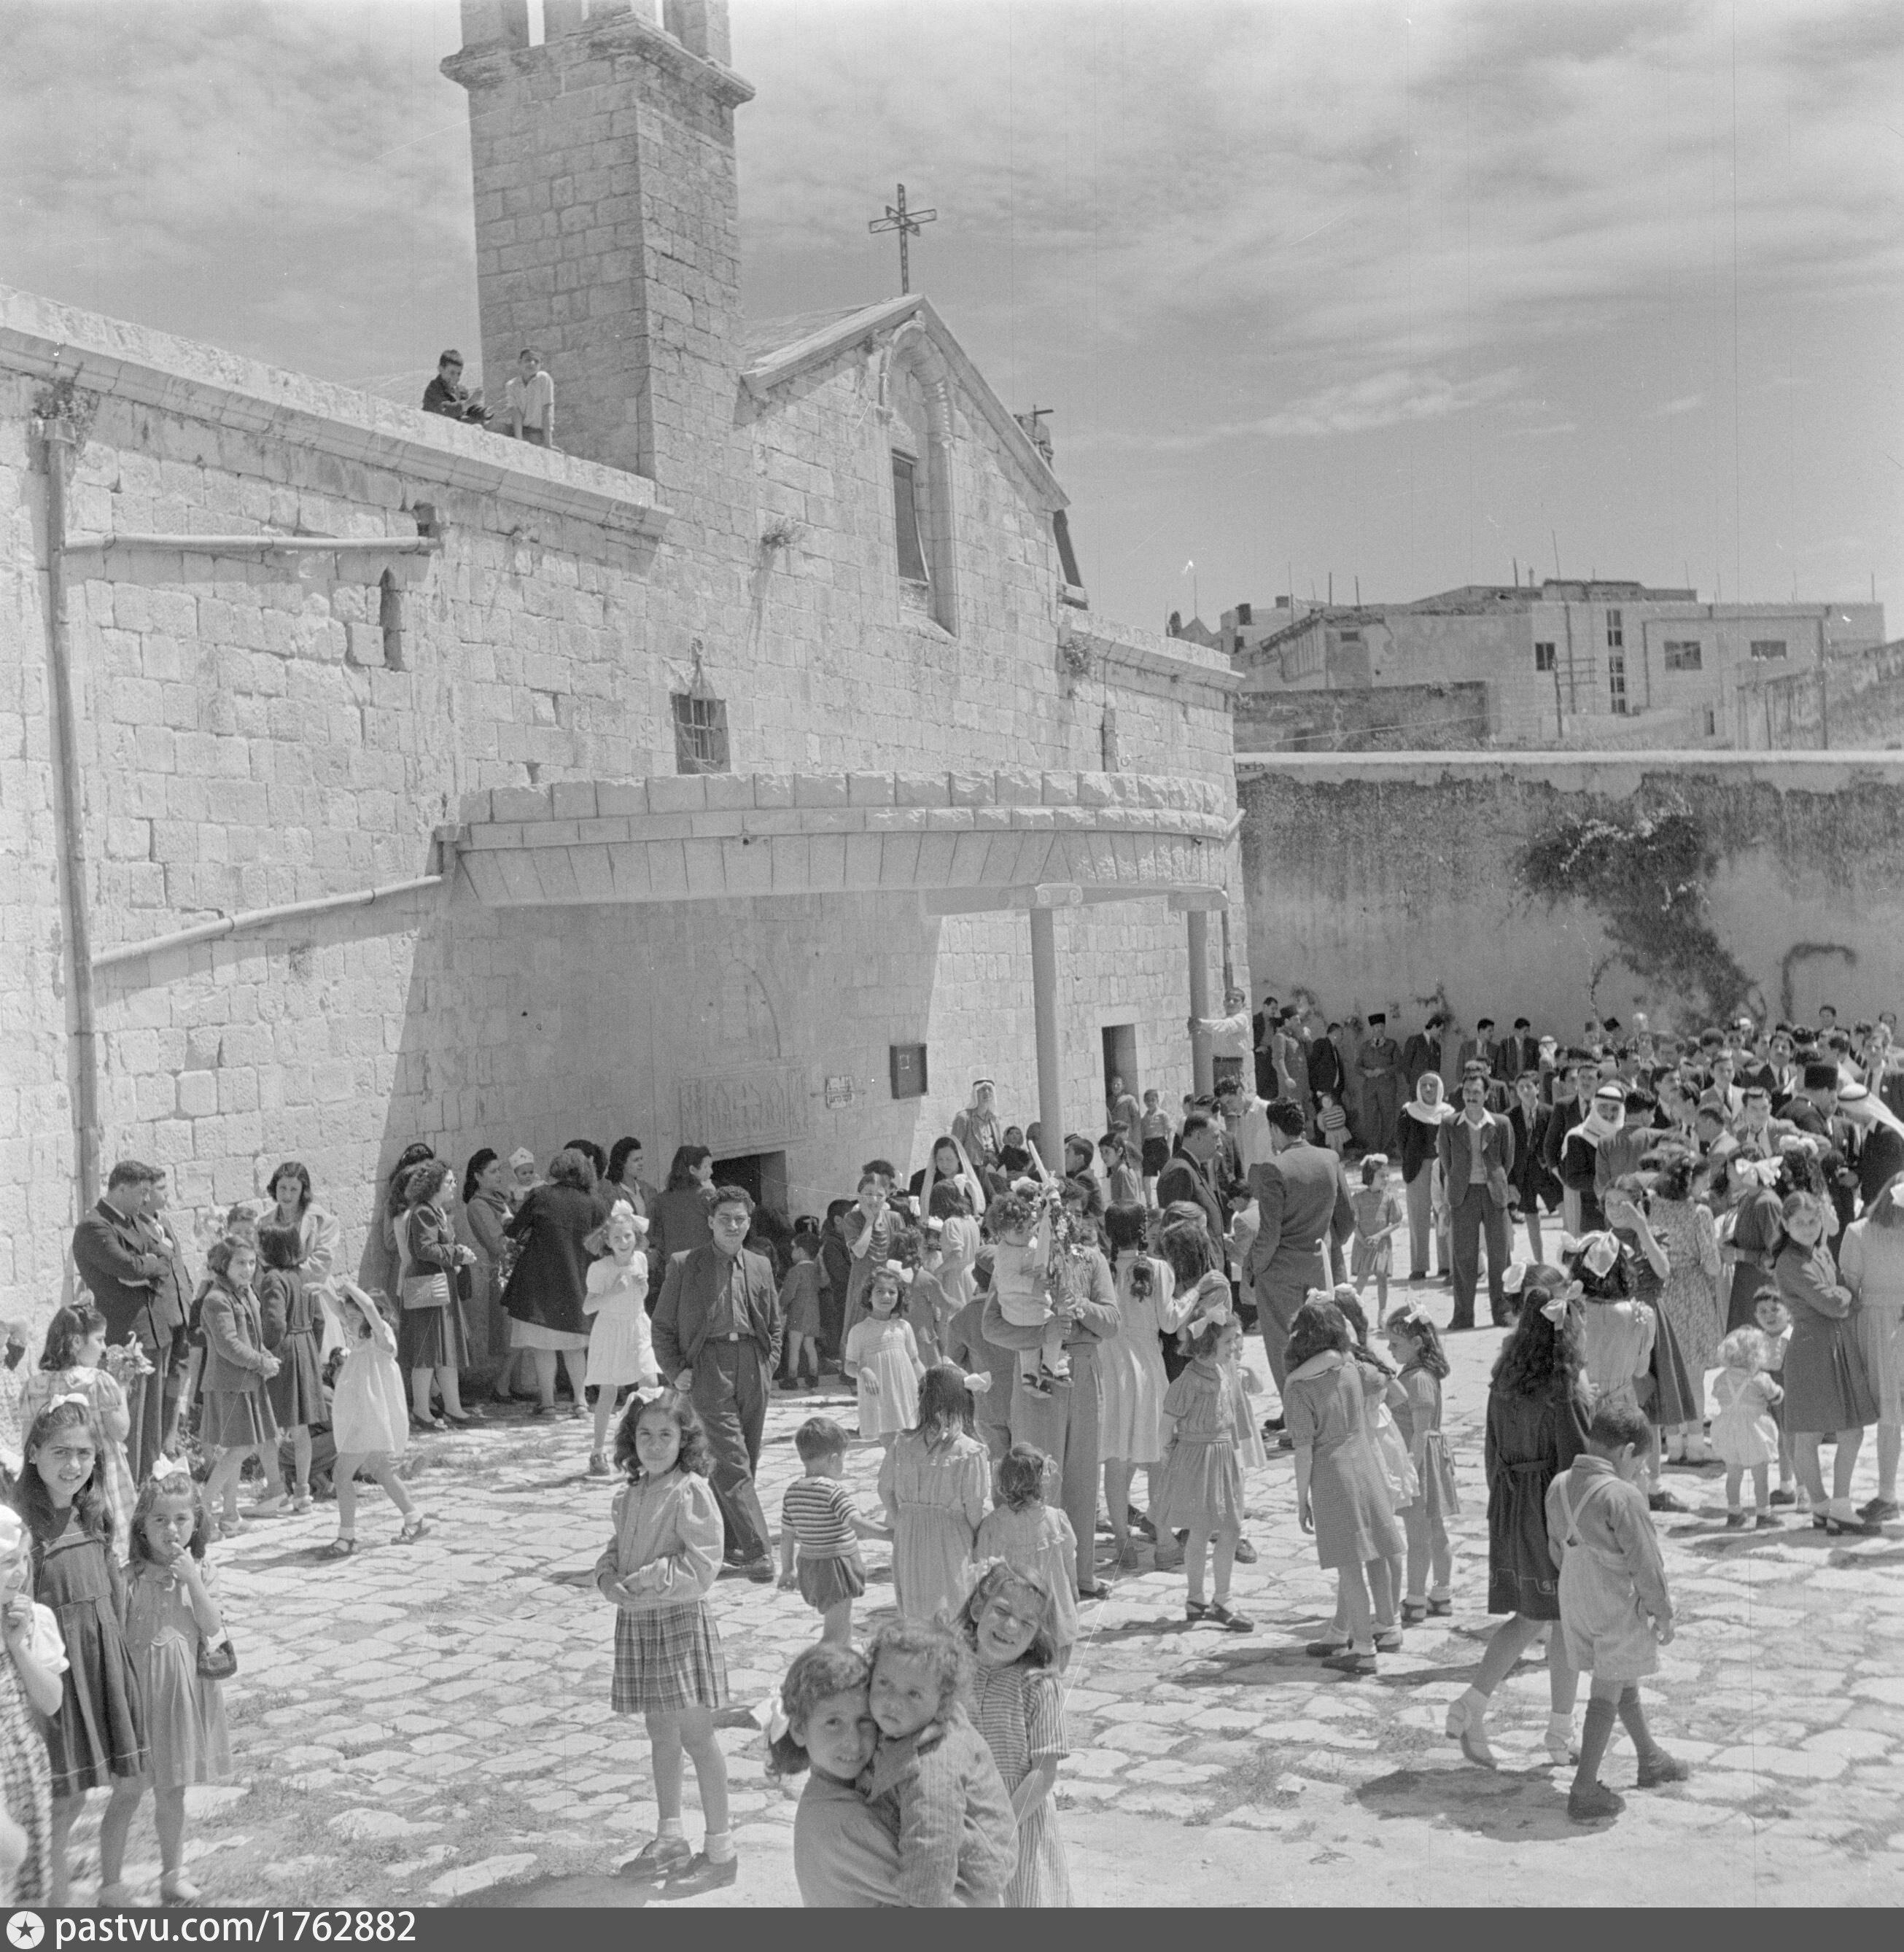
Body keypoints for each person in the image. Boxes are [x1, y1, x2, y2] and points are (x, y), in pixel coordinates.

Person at [1445, 1269, 1588, 1769]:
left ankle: (1478, 1705)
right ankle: (1554, 1729)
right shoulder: (1563, 1386)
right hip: (1552, 1513)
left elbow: (1489, 1451)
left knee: (1532, 1613)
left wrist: (1502, 1508)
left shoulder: (1502, 1380)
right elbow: (1577, 1461)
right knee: (1558, 1618)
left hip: (1510, 1504)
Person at [594, 1390, 735, 1887]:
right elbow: (615, 1551)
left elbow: (702, 1564)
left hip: (676, 1621)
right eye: (644, 1435)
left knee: (697, 1734)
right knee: (660, 1731)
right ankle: (670, 1835)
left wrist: (655, 1576)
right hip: (639, 1623)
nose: (654, 1445)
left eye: (666, 1435)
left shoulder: (689, 1490)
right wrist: (609, 1578)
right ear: (631, 1441)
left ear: (684, 1439)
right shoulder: (631, 1494)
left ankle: (721, 1851)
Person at [15, 1400, 147, 1907]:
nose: (73, 1464)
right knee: (66, 1797)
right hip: (58, 1676)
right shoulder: (22, 1524)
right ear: (34, 1454)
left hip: (107, 1661)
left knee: (132, 1780)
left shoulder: (96, 1511)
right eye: (61, 1452)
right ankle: (54, 1906)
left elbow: (113, 1588)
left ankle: (111, 1886)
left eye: (85, 1454)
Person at [1547, 1400, 1687, 1824]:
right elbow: (1646, 1562)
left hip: (1575, 1597)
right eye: (1638, 1463)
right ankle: (1585, 1787)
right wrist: (1662, 1613)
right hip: (1615, 1602)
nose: (1638, 1471)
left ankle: (1651, 1758)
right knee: (1606, 1692)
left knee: (1618, 1674)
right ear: (1626, 1452)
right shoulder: (1621, 1495)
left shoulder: (1558, 1484)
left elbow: (1556, 1549)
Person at [982, 1208, 1122, 1601]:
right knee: (1037, 1472)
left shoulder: (1092, 1261)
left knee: (1081, 1474)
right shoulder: (1017, 1260)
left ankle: (1081, 1575)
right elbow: (991, 1326)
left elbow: (1112, 1322)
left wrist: (1078, 1304)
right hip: (1035, 1374)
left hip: (1082, 1368)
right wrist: (1039, 1333)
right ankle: (1035, 1575)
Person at [652, 1185, 780, 1579]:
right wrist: (677, 1372)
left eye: (740, 1219)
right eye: (724, 1218)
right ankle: (760, 1551)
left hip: (752, 1365)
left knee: (747, 1457)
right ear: (710, 1222)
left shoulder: (760, 1265)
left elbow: (774, 1325)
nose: (733, 1226)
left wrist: (768, 1366)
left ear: (748, 1222)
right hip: (708, 1365)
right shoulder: (684, 1264)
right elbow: (662, 1327)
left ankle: (733, 1543)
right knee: (731, 1458)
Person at [120, 1468, 233, 1905]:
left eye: (182, 1520)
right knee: (127, 1791)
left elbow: (212, 1626)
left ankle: (172, 1873)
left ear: (197, 1522)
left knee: (174, 1790)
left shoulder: (202, 1569)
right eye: (160, 1521)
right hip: (140, 1695)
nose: (171, 1530)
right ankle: (111, 1880)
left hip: (181, 1695)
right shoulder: (128, 1575)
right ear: (142, 1527)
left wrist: (191, 1580)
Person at [860, 1618, 1017, 1908]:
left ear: (942, 1701)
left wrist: (919, 1903)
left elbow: (933, 1846)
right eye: (884, 1683)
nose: (893, 1701)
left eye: (913, 1694)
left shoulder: (932, 1768)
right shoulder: (916, 1724)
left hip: (964, 1893)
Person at [1283, 1295, 1403, 1674]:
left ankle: (1364, 1650)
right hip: (1366, 1464)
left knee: (1349, 1568)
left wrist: (1301, 1497)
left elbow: (1304, 1451)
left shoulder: (1298, 1390)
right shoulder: (1353, 1370)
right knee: (1377, 1554)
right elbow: (1388, 1381)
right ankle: (1389, 1626)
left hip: (1332, 1475)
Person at [959, 1561, 1072, 1908]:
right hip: (964, 1811)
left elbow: (1044, 1771)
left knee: (1028, 1900)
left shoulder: (1039, 1684)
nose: (1011, 1627)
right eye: (1002, 1611)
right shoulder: (953, 1671)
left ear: (1038, 1632)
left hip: (1021, 1816)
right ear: (978, 1609)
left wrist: (1003, 1827)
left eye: (1027, 1622)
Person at [70, 1161, 187, 1485]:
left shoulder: (134, 1221)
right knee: (128, 1421)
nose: (145, 1200)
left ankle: (149, 1485)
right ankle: (128, 1490)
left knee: (153, 1422)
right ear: (121, 1189)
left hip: (154, 1329)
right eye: (141, 1193)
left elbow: (159, 1256)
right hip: (125, 1334)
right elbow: (129, 1269)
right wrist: (151, 1263)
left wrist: (150, 1262)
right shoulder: (95, 1227)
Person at [1774, 1191, 1880, 1535]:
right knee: (1811, 1433)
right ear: (1785, 1225)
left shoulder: (1819, 1252)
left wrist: (1844, 1295)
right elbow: (1833, 1302)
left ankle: (1834, 1505)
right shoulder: (1789, 1262)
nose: (1807, 1228)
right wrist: (1846, 1296)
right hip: (1811, 1348)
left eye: (1813, 1220)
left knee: (1850, 1428)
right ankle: (1827, 1505)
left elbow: (1844, 1294)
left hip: (1834, 1343)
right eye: (1799, 1222)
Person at [1153, 1283, 1254, 1633]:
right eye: (1229, 1341)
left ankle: (1217, 1596)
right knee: (1202, 1529)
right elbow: (1166, 1424)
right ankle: (1202, 1597)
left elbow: (1230, 1416)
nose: (1235, 1347)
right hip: (1198, 1457)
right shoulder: (1188, 1381)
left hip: (1223, 1455)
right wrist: (1168, 1456)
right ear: (1209, 1343)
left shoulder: (1224, 1373)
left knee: (1230, 1526)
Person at [773, 1643, 902, 1907]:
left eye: (864, 1721)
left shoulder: (827, 1795)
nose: (853, 1743)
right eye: (833, 1723)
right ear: (799, 1729)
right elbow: (932, 1893)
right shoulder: (844, 1824)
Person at [1098, 1205, 1188, 1570]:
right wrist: (1194, 1295)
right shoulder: (1159, 1269)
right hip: (1148, 1366)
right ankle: (1165, 1542)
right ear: (1143, 1229)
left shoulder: (1100, 1269)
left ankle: (1123, 1545)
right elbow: (1169, 1323)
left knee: (1117, 1463)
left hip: (1111, 1365)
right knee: (1157, 1458)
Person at [1246, 1100, 1355, 1396]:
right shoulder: (1329, 1158)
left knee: (1285, 1342)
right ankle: (1325, 1405)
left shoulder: (1273, 1168)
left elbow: (1269, 1234)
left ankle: (1296, 1412)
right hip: (1320, 1265)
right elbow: (1348, 1218)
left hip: (1280, 1272)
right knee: (1322, 1338)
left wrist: (1254, 1267)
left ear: (1275, 1128)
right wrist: (1328, 1246)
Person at [23, 1306, 137, 1566]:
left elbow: (27, 1440)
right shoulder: (99, 1381)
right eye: (99, 1339)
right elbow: (121, 1430)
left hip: (52, 1479)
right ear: (76, 1341)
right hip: (97, 1476)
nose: (104, 1347)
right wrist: (122, 1386)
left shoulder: (35, 1384)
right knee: (108, 1545)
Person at [877, 1367, 990, 1623]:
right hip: (950, 1539)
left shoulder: (901, 1443)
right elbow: (974, 1507)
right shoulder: (970, 1451)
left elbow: (884, 1489)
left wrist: (901, 1520)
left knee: (916, 1611)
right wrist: (977, 1537)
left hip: (909, 1537)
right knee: (952, 1609)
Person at [322, 1285, 425, 1558]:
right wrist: (323, 1287)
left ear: (373, 1317)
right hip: (365, 1416)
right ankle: (414, 1518)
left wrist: (351, 1289)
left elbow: (366, 1306)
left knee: (341, 1475)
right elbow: (339, 1309)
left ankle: (347, 1538)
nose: (349, 1321)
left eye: (356, 1317)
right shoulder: (359, 1339)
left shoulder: (382, 1338)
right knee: (381, 1471)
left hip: (368, 1418)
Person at [502, 1148, 602, 1419]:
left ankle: (547, 1404)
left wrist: (508, 1219)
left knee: (542, 1346)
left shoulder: (541, 1196)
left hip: (539, 1283)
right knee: (575, 1348)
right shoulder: (594, 1203)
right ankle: (580, 1402)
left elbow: (514, 1231)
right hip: (576, 1282)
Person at [196, 1239, 281, 1538]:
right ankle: (201, 1511)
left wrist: (264, 1355)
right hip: (229, 1383)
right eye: (240, 1263)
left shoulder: (245, 1294)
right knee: (242, 1447)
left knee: (236, 1449)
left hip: (248, 1380)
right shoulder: (216, 1299)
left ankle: (230, 1517)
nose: (248, 1269)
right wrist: (260, 1362)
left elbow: (251, 1337)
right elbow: (228, 1344)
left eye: (251, 1263)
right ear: (224, 1266)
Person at [0, 1507, 62, 1905]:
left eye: (23, 1559)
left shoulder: (33, 1619)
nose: (19, 1571)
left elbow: (52, 1701)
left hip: (23, 1768)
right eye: (7, 1563)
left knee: (26, 1892)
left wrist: (17, 1644)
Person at [777, 1416, 885, 1644]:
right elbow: (855, 1522)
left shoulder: (792, 1491)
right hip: (835, 1566)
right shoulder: (832, 1491)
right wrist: (889, 1535)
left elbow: (787, 1536)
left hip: (808, 1566)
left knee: (839, 1625)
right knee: (836, 1630)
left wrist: (787, 1570)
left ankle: (842, 1666)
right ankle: (824, 1671)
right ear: (833, 1459)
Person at [1383, 1307, 1458, 1620]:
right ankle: (1441, 1594)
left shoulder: (1418, 1379)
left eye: (1395, 1344)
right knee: (1435, 1530)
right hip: (1428, 1457)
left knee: (1419, 1534)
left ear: (1416, 1343)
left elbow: (1421, 1428)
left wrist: (1410, 1468)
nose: (1389, 1349)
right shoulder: (1420, 1374)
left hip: (1421, 1459)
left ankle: (1415, 1599)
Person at [1838, 1172, 1904, 1524]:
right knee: (1890, 1414)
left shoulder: (1858, 1233)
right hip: (1879, 1322)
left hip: (1880, 1326)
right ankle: (1887, 1493)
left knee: (1890, 1415)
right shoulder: (1858, 1232)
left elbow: (1850, 1287)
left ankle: (1888, 1494)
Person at [975, 1446, 1079, 1666]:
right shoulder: (1055, 1520)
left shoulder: (992, 1525)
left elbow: (984, 1568)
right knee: (1054, 1670)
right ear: (1042, 1482)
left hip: (1016, 1617)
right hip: (1054, 1612)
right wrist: (1074, 1587)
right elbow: (1070, 1557)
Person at [395, 1160, 478, 1431]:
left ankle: (453, 1406)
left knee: (446, 1349)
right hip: (427, 1286)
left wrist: (456, 1253)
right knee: (427, 1350)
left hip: (442, 1285)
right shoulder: (422, 1213)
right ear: (434, 1186)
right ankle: (421, 1409)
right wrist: (458, 1254)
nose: (454, 1186)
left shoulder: (436, 1211)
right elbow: (425, 1250)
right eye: (449, 1182)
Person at [583, 1209, 660, 1477]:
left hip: (637, 1326)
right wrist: (613, 1292)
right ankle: (597, 1451)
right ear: (607, 1240)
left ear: (635, 1236)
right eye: (617, 1237)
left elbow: (642, 1295)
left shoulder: (640, 1259)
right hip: (611, 1330)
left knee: (650, 1384)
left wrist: (644, 1286)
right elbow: (588, 1307)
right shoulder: (600, 1268)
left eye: (627, 1236)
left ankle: (647, 1449)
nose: (623, 1242)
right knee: (609, 1391)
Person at [256, 1222, 325, 1514]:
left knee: (269, 1426)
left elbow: (274, 1323)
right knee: (301, 1428)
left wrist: (263, 1351)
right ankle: (303, 1491)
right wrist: (310, 1347)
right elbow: (319, 1319)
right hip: (306, 1346)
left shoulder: (272, 1279)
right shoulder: (304, 1275)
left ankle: (276, 1491)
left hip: (283, 1353)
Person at [1439, 1071, 1515, 1330]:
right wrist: (1462, 1182)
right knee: (1463, 1255)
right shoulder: (1450, 1124)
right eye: (1468, 1092)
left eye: (1477, 1092)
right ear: (1462, 1095)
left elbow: (1508, 1160)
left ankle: (1502, 1311)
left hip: (1494, 1195)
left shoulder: (1501, 1123)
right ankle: (1463, 1315)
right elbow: (1447, 1163)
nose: (1472, 1097)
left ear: (1486, 1095)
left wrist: (1495, 1180)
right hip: (1464, 1195)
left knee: (1500, 1254)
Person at [460, 1149, 521, 1400]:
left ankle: (514, 1384)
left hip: (516, 1267)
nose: (499, 1175)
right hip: (503, 1271)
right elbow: (497, 1243)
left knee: (520, 1331)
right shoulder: (478, 1205)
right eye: (493, 1171)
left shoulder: (500, 1197)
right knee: (511, 1334)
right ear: (478, 1176)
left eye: (500, 1170)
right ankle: (502, 1385)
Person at [844, 1262, 925, 1444]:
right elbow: (849, 1366)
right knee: (890, 1444)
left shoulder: (903, 1327)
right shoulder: (859, 1331)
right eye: (879, 1291)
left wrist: (929, 1383)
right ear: (869, 1296)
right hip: (880, 1399)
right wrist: (863, 1371)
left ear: (900, 1296)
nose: (886, 1296)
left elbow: (914, 1360)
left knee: (908, 1444)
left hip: (905, 1395)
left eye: (892, 1292)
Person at [1710, 1327, 1783, 1528]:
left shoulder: (1721, 1379)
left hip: (1729, 1429)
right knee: (1760, 1474)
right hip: (1754, 1430)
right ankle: (1763, 1513)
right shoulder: (1760, 1379)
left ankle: (1734, 1512)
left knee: (1734, 1474)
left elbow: (1717, 1395)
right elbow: (1775, 1396)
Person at [1398, 1073, 1453, 1285]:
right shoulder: (1408, 1111)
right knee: (1418, 1216)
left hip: (1443, 1166)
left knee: (1443, 1211)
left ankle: (1446, 1263)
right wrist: (1413, 1160)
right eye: (1423, 1085)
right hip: (1418, 1167)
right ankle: (1419, 1266)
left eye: (1432, 1085)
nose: (1428, 1089)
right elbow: (1401, 1141)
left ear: (1439, 1088)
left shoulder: (1448, 1113)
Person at [1348, 1155, 1402, 1328]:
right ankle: (1351, 1313)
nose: (1386, 1179)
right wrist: (1362, 1239)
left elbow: (1396, 1222)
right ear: (1370, 1177)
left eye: (1387, 1175)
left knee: (1382, 1278)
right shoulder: (1358, 1198)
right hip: (1363, 1244)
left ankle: (1382, 1314)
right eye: (1381, 1176)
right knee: (1362, 1278)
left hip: (1381, 1245)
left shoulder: (1389, 1198)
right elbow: (1353, 1223)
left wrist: (1379, 1236)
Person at [777, 1232, 827, 1391]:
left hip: (798, 1314)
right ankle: (813, 1376)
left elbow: (788, 1294)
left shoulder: (795, 1271)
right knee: (810, 1346)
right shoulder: (816, 1270)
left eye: (793, 1248)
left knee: (794, 1347)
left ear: (800, 1251)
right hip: (814, 1315)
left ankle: (791, 1378)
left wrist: (781, 1306)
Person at [421, 349, 491, 424]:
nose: (456, 377)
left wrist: (485, 413)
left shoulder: (460, 391)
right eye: (452, 373)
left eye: (459, 374)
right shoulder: (433, 389)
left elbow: (470, 409)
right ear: (441, 369)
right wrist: (468, 403)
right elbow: (444, 410)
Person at [503, 346, 556, 446]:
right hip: (520, 431)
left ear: (541, 365)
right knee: (491, 427)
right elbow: (516, 412)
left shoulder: (543, 378)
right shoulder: (511, 385)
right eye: (528, 360)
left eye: (536, 361)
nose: (532, 364)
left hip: (537, 432)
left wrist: (548, 443)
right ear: (519, 363)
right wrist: (519, 441)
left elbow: (547, 410)